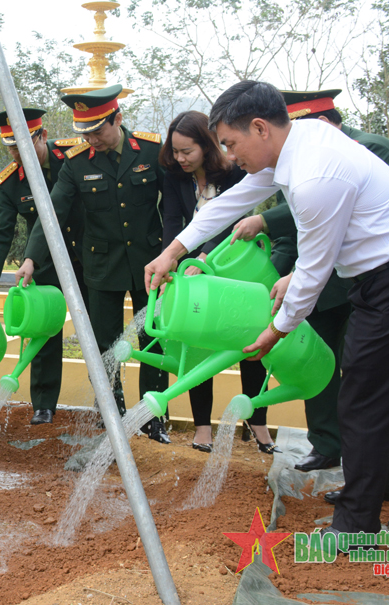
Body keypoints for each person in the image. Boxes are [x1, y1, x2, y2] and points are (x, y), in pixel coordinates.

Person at [146, 80, 389, 538]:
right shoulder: (300, 142)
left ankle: (354, 525)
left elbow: (313, 270)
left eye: (230, 142)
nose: (228, 156)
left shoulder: (312, 178)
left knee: (363, 398)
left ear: (260, 127)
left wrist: (276, 330)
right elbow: (234, 201)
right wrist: (176, 249)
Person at [231, 87, 389, 496]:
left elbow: (338, 228)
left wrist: (280, 320)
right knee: (341, 377)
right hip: (352, 280)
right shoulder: (291, 161)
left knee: (372, 391)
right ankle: (345, 457)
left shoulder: (359, 153)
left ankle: (368, 499)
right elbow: (299, 232)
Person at [17, 83, 171, 443]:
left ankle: (152, 417)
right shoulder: (76, 163)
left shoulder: (150, 150)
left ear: (117, 118)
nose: (91, 139)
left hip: (150, 265)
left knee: (154, 340)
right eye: (83, 133)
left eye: (97, 130)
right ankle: (111, 413)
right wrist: (29, 259)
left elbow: (173, 206)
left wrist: (172, 251)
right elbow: (51, 213)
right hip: (101, 268)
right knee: (103, 344)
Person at [159, 110, 276, 453]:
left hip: (234, 267)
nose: (180, 158)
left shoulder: (236, 172)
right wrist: (172, 260)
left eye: (187, 152)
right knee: (199, 345)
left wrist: (206, 257)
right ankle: (202, 428)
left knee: (248, 343)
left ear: (207, 146)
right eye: (175, 151)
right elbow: (171, 222)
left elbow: (231, 219)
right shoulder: (174, 176)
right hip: (193, 272)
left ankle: (256, 423)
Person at [0, 107, 86, 424]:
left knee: (99, 332)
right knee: (44, 332)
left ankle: (108, 403)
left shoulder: (74, 157)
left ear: (43, 135)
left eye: (23, 144)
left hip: (89, 256)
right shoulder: (9, 182)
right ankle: (44, 404)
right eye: (10, 147)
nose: (16, 153)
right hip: (44, 263)